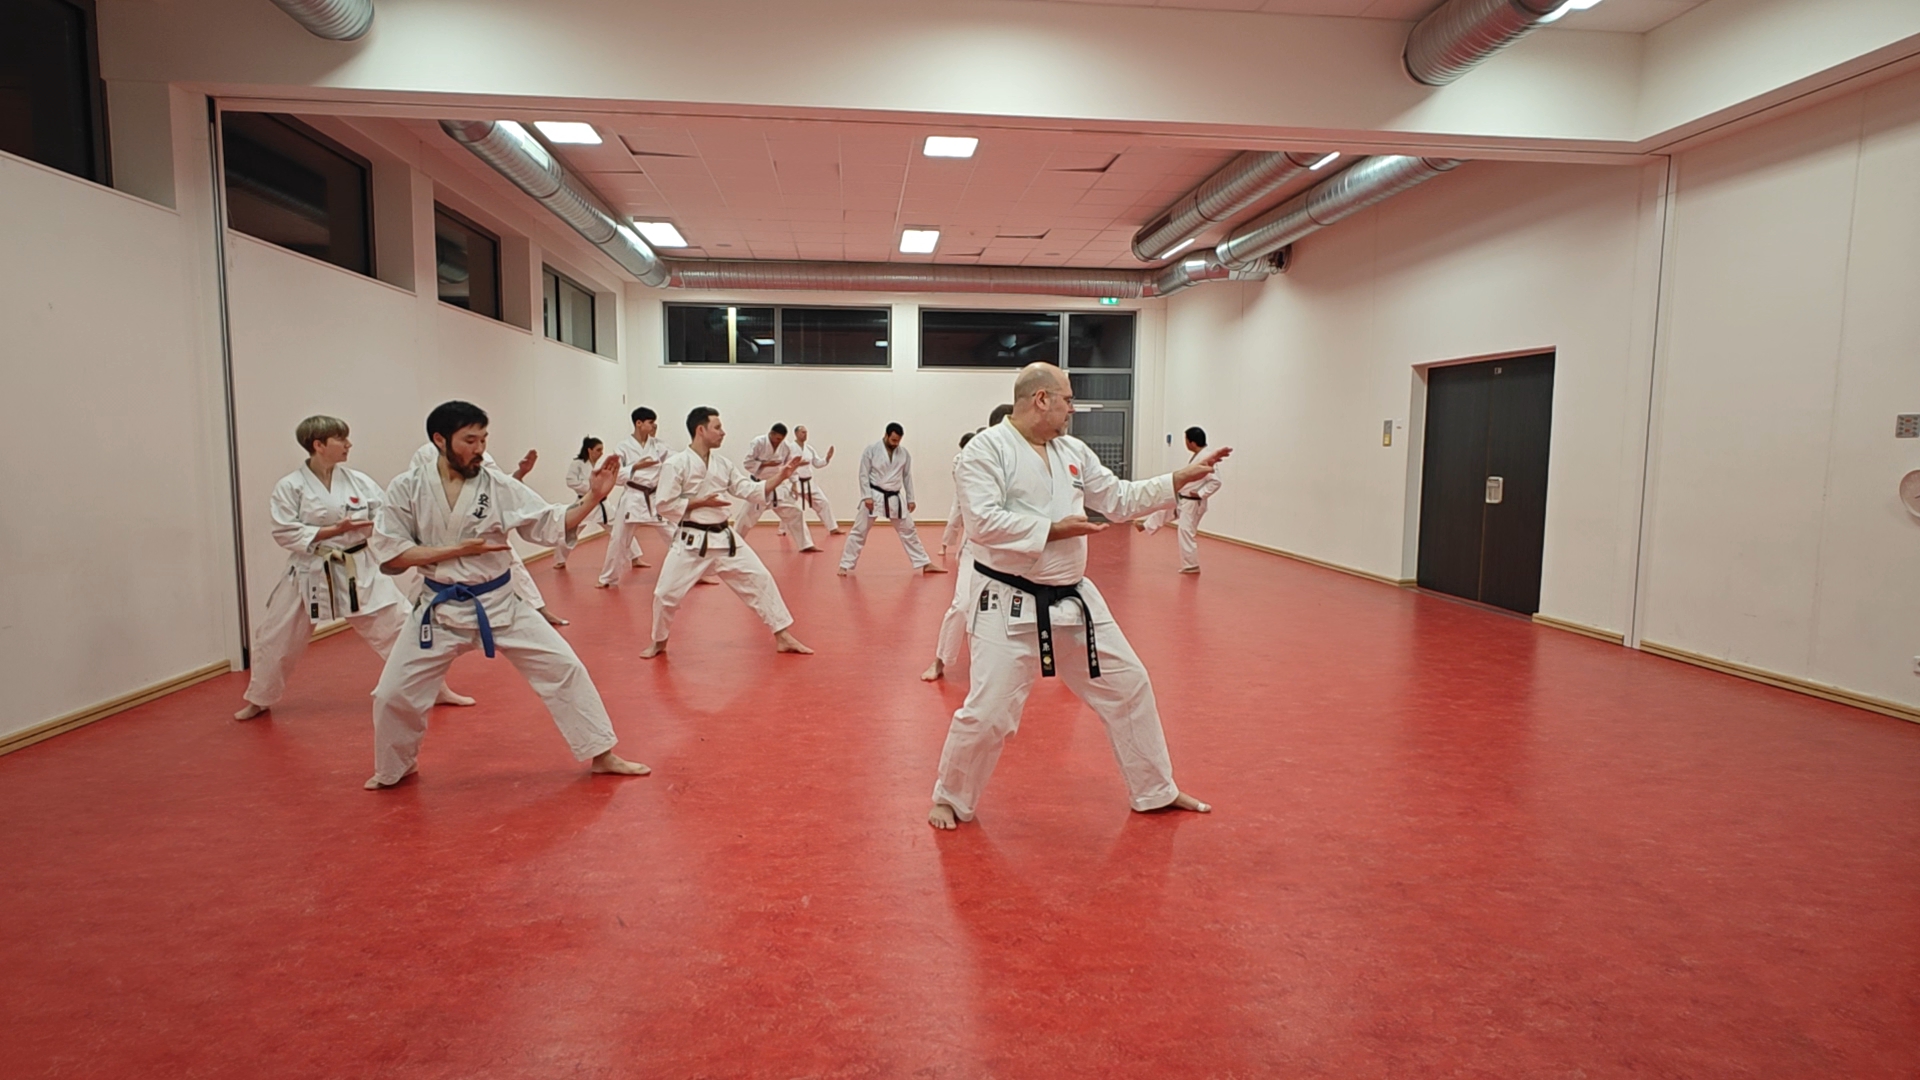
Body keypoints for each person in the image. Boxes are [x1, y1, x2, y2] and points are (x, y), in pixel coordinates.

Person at [926, 364, 1227, 829]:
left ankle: (1154, 789)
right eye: (1067, 399)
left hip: (1075, 600)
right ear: (1041, 399)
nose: (1073, 408)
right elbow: (982, 521)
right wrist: (1052, 529)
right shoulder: (985, 451)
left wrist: (1175, 480)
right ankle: (950, 797)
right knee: (988, 714)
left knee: (1130, 686)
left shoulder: (1073, 451)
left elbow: (1119, 499)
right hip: (1008, 601)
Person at [366, 401, 649, 789]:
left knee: (564, 669)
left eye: (483, 438)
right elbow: (393, 554)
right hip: (438, 610)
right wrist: (457, 551)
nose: (480, 448)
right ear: (439, 440)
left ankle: (602, 754)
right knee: (391, 694)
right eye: (469, 440)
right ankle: (395, 767)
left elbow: (548, 523)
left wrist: (592, 499)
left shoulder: (497, 485)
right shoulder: (407, 488)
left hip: (500, 604)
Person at [235, 416, 474, 720]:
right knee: (276, 637)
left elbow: (388, 515)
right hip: (310, 570)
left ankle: (437, 689)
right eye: (341, 439)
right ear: (318, 445)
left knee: (400, 627)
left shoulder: (359, 482)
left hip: (358, 567)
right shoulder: (290, 487)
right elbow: (284, 531)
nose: (349, 445)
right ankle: (259, 698)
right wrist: (333, 530)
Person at [640, 407, 814, 659]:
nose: (723, 433)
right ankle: (659, 642)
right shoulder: (676, 464)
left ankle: (782, 636)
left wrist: (781, 476)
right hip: (691, 541)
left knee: (760, 579)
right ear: (701, 430)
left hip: (725, 539)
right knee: (665, 594)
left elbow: (749, 490)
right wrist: (700, 503)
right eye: (718, 427)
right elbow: (664, 504)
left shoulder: (722, 464)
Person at [408, 440, 568, 626]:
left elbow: (500, 485)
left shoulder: (479, 453)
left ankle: (538, 611)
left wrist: (519, 473)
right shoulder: (425, 454)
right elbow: (417, 492)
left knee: (512, 562)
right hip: (442, 533)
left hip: (481, 524)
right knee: (427, 576)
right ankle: (413, 619)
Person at [838, 422, 945, 576]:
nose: (896, 444)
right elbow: (863, 474)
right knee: (859, 531)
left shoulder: (904, 454)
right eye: (893, 440)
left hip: (894, 496)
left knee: (909, 530)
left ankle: (924, 563)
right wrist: (866, 496)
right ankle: (845, 564)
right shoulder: (871, 450)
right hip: (874, 496)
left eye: (898, 441)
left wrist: (910, 498)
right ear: (886, 435)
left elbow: (907, 476)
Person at [922, 430, 981, 682]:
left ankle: (1068, 667)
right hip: (976, 546)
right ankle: (940, 660)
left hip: (1014, 549)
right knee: (963, 604)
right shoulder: (968, 463)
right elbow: (961, 508)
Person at [597, 407, 675, 588]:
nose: (654, 425)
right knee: (619, 540)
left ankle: (694, 573)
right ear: (639, 423)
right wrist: (636, 467)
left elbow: (676, 460)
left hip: (654, 497)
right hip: (632, 497)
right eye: (650, 422)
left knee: (674, 536)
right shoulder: (623, 447)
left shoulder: (659, 445)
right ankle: (607, 578)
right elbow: (614, 476)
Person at [1137, 426, 1222, 573]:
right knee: (1165, 508)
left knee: (1185, 531)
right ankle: (1146, 525)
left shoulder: (1206, 458)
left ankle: (1191, 565)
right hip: (1184, 497)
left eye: (1186, 440)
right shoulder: (1199, 456)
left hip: (1193, 502)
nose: (1185, 443)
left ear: (1192, 442)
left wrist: (1201, 493)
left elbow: (1216, 481)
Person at [732, 423, 819, 552]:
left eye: (781, 439)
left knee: (796, 512)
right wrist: (766, 464)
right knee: (745, 517)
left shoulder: (785, 447)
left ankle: (806, 545)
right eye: (777, 439)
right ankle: (732, 544)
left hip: (778, 486)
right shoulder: (758, 443)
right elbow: (747, 463)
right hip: (759, 486)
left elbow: (790, 466)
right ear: (771, 434)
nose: (779, 442)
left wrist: (794, 484)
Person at [556, 437, 640, 570]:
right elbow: (570, 481)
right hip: (584, 504)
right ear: (589, 450)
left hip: (602, 504)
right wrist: (591, 489)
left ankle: (636, 558)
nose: (601, 453)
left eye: (602, 450)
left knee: (620, 529)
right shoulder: (577, 464)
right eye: (598, 450)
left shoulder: (601, 464)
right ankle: (560, 560)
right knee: (570, 531)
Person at [789, 426, 841, 535]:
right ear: (796, 433)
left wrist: (827, 458)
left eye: (806, 432)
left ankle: (832, 528)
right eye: (803, 432)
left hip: (809, 483)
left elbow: (817, 463)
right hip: (796, 483)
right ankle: (783, 529)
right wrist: (793, 482)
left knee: (823, 503)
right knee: (793, 508)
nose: (805, 434)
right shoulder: (790, 448)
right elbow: (789, 467)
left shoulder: (809, 449)